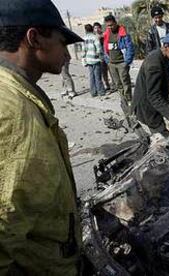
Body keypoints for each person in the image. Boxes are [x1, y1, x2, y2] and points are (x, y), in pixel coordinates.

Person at [0, 0, 83, 274]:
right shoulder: (12, 110)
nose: (68, 55)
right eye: (62, 41)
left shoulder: (15, 93)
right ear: (34, 38)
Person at [132, 32, 169, 141]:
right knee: (164, 139)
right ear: (166, 47)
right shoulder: (154, 64)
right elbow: (153, 96)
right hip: (147, 107)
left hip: (153, 105)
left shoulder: (162, 57)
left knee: (162, 135)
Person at [146, 6, 169, 99]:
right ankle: (165, 99)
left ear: (162, 16)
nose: (158, 19)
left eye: (159, 17)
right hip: (160, 59)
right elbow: (149, 48)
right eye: (155, 18)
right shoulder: (151, 31)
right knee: (163, 82)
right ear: (153, 18)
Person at [103, 15, 135, 104]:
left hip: (122, 62)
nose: (110, 27)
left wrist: (127, 62)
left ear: (115, 23)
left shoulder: (122, 33)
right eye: (108, 26)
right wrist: (108, 61)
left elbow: (130, 47)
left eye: (111, 25)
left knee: (125, 82)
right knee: (118, 84)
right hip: (112, 63)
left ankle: (129, 99)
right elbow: (105, 48)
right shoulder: (107, 34)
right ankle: (123, 99)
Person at [82, 24, 106, 97]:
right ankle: (101, 92)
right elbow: (99, 48)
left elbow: (83, 51)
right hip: (95, 59)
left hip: (88, 60)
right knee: (97, 76)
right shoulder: (95, 37)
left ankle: (93, 92)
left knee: (91, 76)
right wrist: (101, 57)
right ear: (92, 29)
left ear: (86, 30)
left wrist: (84, 60)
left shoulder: (84, 38)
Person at [93, 22, 111, 90]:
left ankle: (115, 84)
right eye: (95, 28)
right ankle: (107, 84)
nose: (97, 29)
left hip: (107, 55)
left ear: (100, 28)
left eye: (98, 27)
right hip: (100, 57)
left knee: (111, 70)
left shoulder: (104, 35)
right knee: (104, 72)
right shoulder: (94, 38)